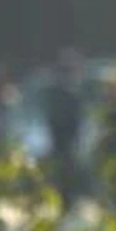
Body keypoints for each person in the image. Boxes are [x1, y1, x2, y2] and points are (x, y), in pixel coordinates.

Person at [42, 49, 87, 200]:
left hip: (64, 136)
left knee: (66, 168)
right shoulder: (62, 91)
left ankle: (66, 196)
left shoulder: (66, 91)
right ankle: (64, 196)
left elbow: (76, 116)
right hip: (61, 136)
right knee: (63, 168)